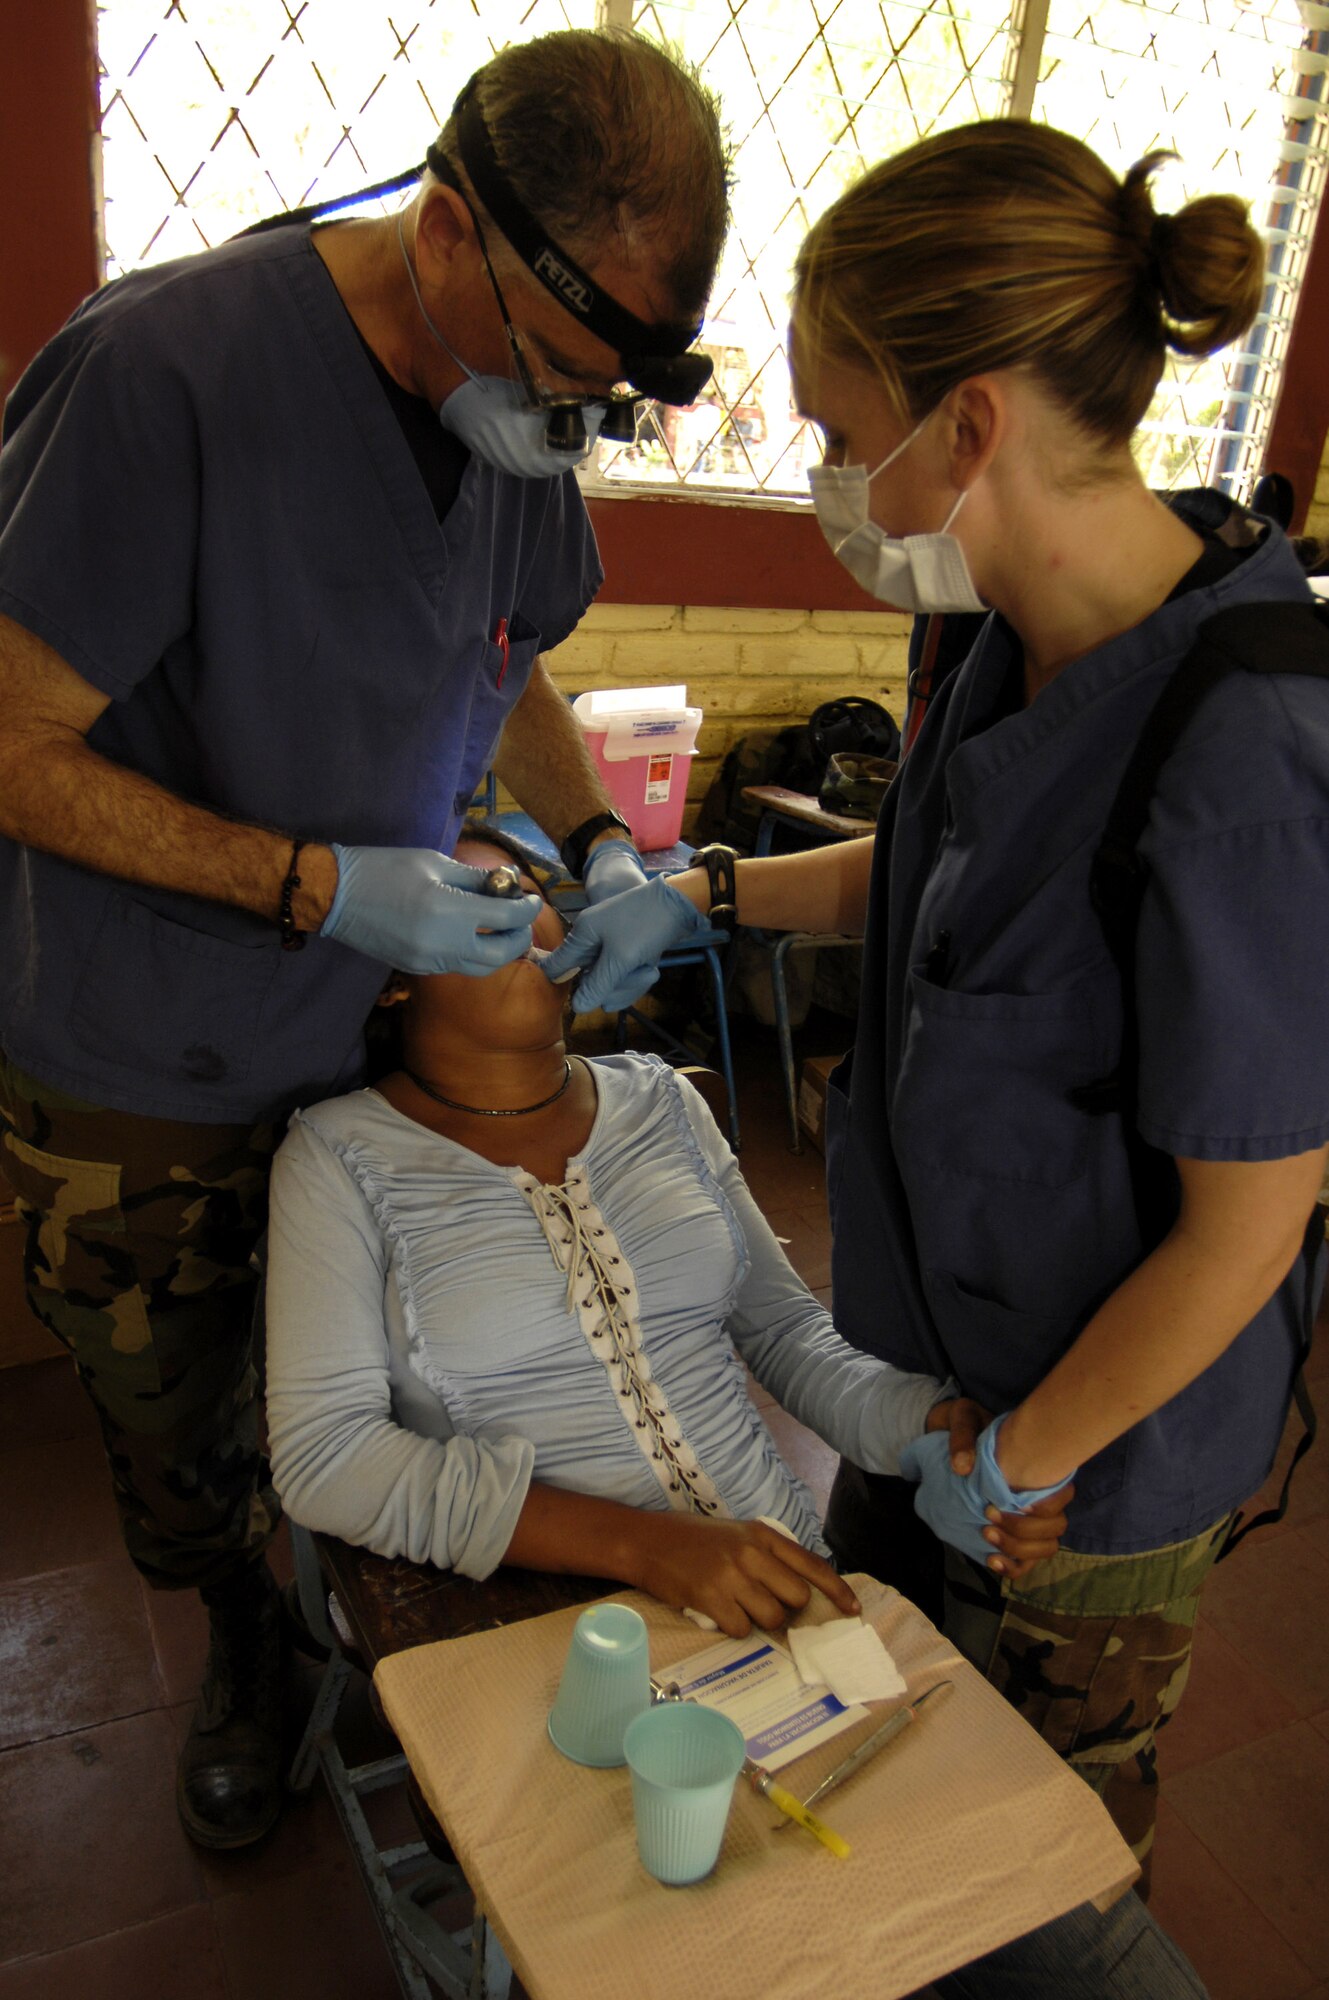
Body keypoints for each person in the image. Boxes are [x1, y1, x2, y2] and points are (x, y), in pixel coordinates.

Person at [541, 120, 1329, 1897]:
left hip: (1080, 1462)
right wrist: (698, 897)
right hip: (923, 1389)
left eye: (835, 435)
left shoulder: (1243, 766)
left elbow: (1246, 1229)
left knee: (1023, 1864)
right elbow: (931, 867)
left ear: (964, 426)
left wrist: (1020, 1459)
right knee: (863, 1764)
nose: (833, 483)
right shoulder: (991, 633)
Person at [0, 27, 732, 1848]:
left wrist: (596, 844)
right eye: (563, 373)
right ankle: (245, 1642)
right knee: (184, 1427)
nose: (566, 424)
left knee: (374, 1387)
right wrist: (315, 886)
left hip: (359, 1038)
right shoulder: (164, 375)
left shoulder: (513, 421)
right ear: (447, 231)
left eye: (603, 399)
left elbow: (517, 654)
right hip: (137, 1057)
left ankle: (381, 1633)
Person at [265, 827, 1207, 2000]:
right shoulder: (339, 1158)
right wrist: (648, 1545)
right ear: (395, 956)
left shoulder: (661, 1101)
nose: (530, 911)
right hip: (562, 1655)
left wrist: (934, 1433)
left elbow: (786, 1334)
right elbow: (326, 1459)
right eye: (477, 888)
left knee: (1034, 1919)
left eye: (541, 889)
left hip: (790, 1598)